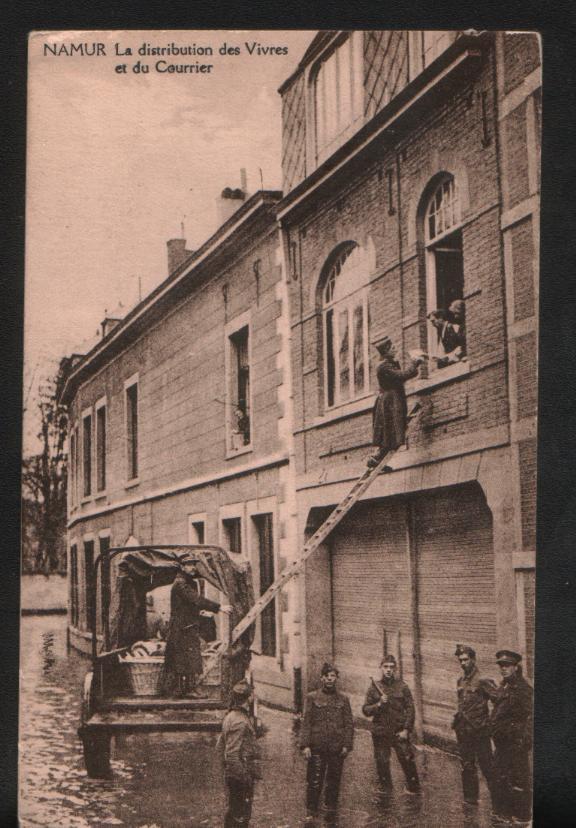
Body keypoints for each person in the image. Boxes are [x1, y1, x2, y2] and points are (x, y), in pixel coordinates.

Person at [164, 565, 232, 697]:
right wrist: (219, 607)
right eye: (190, 565)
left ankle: (184, 689)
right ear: (183, 567)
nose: (193, 567)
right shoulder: (181, 584)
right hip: (182, 628)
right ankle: (186, 690)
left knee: (186, 658)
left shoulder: (184, 582)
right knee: (185, 658)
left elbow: (187, 605)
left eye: (194, 564)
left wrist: (199, 612)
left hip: (185, 626)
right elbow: (195, 599)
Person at [300, 663, 354, 825]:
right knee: (315, 780)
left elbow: (349, 724)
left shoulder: (343, 699)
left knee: (334, 780)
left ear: (336, 679)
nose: (330, 679)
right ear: (322, 678)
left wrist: (346, 745)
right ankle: (311, 810)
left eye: (333, 676)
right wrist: (305, 745)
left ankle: (331, 810)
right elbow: (307, 722)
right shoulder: (312, 697)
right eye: (327, 676)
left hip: (336, 748)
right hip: (317, 747)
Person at [362, 655, 420, 795]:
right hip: (381, 732)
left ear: (396, 669)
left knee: (407, 760)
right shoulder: (374, 687)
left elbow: (411, 709)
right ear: (381, 668)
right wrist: (379, 704)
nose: (388, 670)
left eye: (391, 667)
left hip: (399, 731)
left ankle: (413, 790)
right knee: (382, 763)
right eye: (386, 667)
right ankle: (386, 793)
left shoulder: (402, 687)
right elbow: (366, 710)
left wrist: (406, 729)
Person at [489, 650, 533, 823]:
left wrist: (524, 741)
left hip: (516, 744)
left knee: (519, 781)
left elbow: (530, 718)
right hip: (502, 744)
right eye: (501, 666)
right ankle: (503, 814)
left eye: (507, 665)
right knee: (500, 777)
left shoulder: (523, 689)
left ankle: (521, 817)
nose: (503, 669)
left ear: (516, 667)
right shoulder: (504, 686)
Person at [367, 338, 424, 468]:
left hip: (392, 399)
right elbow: (402, 375)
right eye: (392, 348)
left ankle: (378, 459)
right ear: (386, 351)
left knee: (390, 431)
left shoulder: (388, 364)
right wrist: (415, 362)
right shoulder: (384, 367)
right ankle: (377, 457)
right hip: (390, 401)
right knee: (390, 430)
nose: (395, 349)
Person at [451, 644, 497, 807]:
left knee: (487, 766)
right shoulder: (461, 680)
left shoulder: (483, 679)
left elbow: (499, 701)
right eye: (460, 660)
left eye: (466, 660)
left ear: (473, 659)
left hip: (479, 731)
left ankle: (499, 802)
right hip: (464, 731)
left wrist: (489, 723)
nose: (463, 663)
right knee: (467, 765)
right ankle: (470, 800)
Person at [221, 680, 260, 828]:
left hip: (233, 773)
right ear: (249, 698)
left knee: (234, 811)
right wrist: (244, 777)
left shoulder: (231, 716)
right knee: (241, 815)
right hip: (239, 773)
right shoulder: (240, 721)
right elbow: (231, 753)